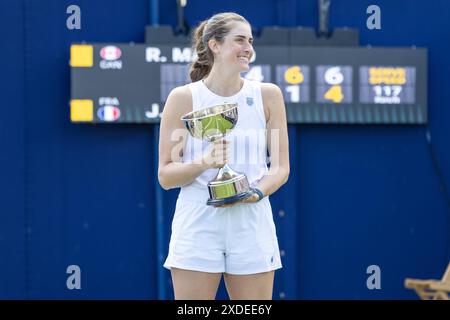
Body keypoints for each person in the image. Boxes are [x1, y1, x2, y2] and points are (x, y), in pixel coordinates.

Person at [158, 12, 290, 300]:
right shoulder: (182, 98)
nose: (248, 48)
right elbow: (166, 176)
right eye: (239, 40)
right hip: (197, 222)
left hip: (252, 221)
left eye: (250, 41)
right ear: (215, 45)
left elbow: (280, 168)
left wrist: (255, 192)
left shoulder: (269, 95)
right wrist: (206, 161)